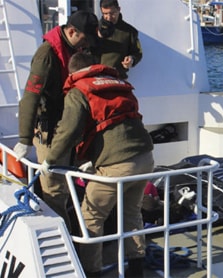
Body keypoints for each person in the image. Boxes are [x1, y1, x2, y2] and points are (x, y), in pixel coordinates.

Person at [41, 52, 154, 277]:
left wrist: (49, 160)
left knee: (91, 216)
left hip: (117, 164)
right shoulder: (119, 83)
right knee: (131, 213)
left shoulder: (79, 90)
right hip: (145, 157)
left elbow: (68, 131)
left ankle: (91, 272)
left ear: (73, 72)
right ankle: (136, 268)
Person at [14, 10, 99, 230]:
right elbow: (31, 96)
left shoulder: (74, 49)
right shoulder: (47, 55)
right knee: (54, 191)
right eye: (84, 39)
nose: (85, 46)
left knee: (70, 187)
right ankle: (64, 240)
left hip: (72, 129)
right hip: (51, 133)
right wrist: (24, 139)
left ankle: (77, 234)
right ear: (72, 32)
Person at [95, 0, 142, 79]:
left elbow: (138, 52)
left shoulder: (130, 31)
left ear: (119, 9)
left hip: (118, 78)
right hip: (95, 77)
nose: (109, 17)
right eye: (105, 14)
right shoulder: (94, 28)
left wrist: (131, 60)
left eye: (112, 13)